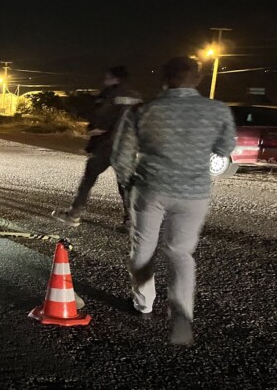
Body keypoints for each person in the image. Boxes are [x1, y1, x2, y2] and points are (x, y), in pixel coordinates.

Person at [111, 56, 236, 345]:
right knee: (180, 252)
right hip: (194, 192)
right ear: (199, 78)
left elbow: (121, 156)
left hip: (150, 188)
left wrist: (128, 182)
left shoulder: (143, 110)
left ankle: (144, 303)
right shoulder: (217, 110)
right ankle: (181, 310)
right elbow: (225, 147)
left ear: (163, 79)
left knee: (143, 245)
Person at [51, 66, 142, 231]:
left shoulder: (109, 95)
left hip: (104, 146)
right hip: (127, 149)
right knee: (126, 185)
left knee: (88, 181)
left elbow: (101, 123)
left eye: (107, 77)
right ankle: (131, 221)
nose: (104, 80)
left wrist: (89, 131)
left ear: (115, 79)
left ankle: (74, 214)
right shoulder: (137, 97)